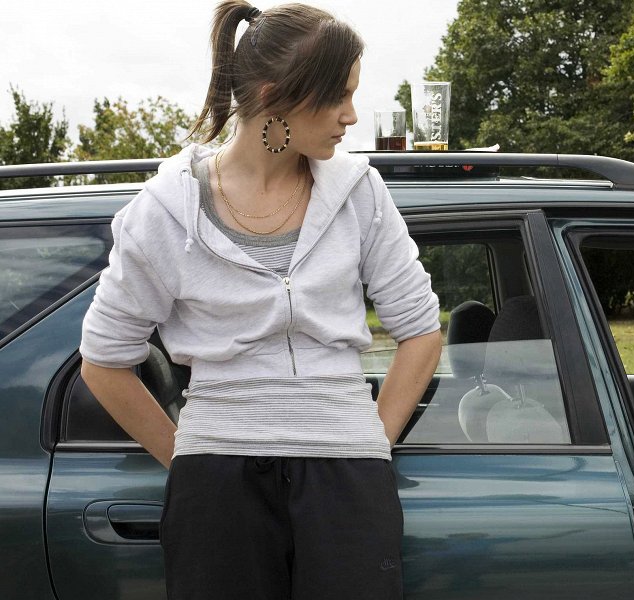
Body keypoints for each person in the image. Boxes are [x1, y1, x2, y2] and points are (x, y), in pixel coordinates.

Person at [79, 2, 442, 599]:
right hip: (217, 483)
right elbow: (103, 361)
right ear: (276, 98)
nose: (351, 115)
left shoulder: (361, 193)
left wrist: (370, 442)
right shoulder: (164, 212)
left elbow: (422, 331)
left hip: (348, 475)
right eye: (339, 96)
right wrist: (189, 458)